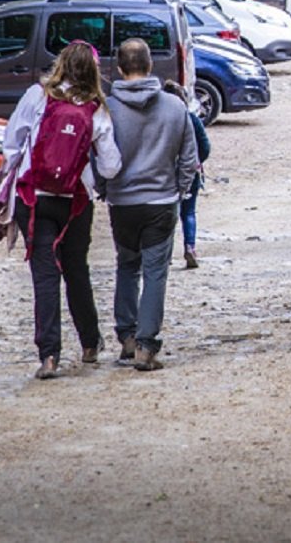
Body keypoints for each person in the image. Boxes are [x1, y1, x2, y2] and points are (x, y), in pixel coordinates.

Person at [2, 41, 122, 380]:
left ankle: (49, 355)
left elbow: (11, 144)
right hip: (75, 202)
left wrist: (10, 178)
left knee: (45, 275)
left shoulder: (37, 96)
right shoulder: (96, 110)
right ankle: (89, 343)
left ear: (61, 65)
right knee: (76, 271)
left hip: (34, 199)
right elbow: (111, 165)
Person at [102, 38, 199, 372]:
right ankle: (147, 345)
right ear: (150, 65)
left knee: (127, 267)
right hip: (160, 200)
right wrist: (179, 189)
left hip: (122, 202)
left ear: (118, 67)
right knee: (156, 272)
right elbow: (190, 158)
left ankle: (127, 336)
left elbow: (96, 156)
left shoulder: (107, 109)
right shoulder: (175, 108)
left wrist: (105, 189)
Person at [175, 85, 209, 270]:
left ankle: (162, 251)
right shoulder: (192, 120)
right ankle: (190, 246)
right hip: (190, 171)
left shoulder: (162, 120)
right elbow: (205, 146)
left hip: (165, 172)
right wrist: (197, 161)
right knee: (188, 212)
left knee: (167, 212)